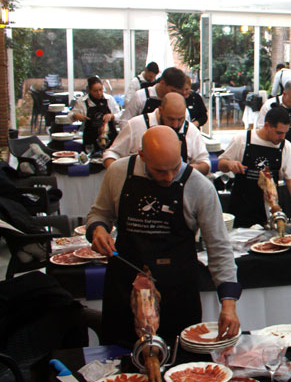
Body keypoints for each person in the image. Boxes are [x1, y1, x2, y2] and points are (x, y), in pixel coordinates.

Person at [86, 126, 240, 346]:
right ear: (141, 156)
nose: (168, 177)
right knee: (120, 367)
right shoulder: (118, 172)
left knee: (180, 366)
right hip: (124, 288)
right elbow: (99, 212)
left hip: (177, 293)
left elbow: (219, 247)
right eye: (159, 171)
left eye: (174, 168)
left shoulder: (199, 186)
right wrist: (98, 229)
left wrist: (229, 303)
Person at [218, 106, 291, 228]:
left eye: (285, 133)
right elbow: (221, 163)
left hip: (268, 209)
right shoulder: (242, 139)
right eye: (279, 133)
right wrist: (229, 164)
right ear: (267, 125)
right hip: (241, 205)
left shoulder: (286, 147)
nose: (282, 138)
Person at [103, 93, 210, 175]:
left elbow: (205, 164)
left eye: (180, 119)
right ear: (160, 110)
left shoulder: (191, 131)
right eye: (170, 119)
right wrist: (119, 176)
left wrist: (182, 171)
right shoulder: (136, 125)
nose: (176, 125)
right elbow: (112, 154)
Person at [70, 76, 119, 153]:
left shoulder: (109, 99)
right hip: (91, 139)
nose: (99, 93)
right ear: (89, 91)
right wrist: (75, 115)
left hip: (110, 137)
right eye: (95, 91)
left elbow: (120, 115)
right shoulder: (82, 101)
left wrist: (112, 116)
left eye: (101, 90)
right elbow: (70, 115)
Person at [120, 67, 187, 122]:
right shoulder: (141, 96)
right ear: (162, 83)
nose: (174, 94)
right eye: (172, 90)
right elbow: (125, 120)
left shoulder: (179, 100)